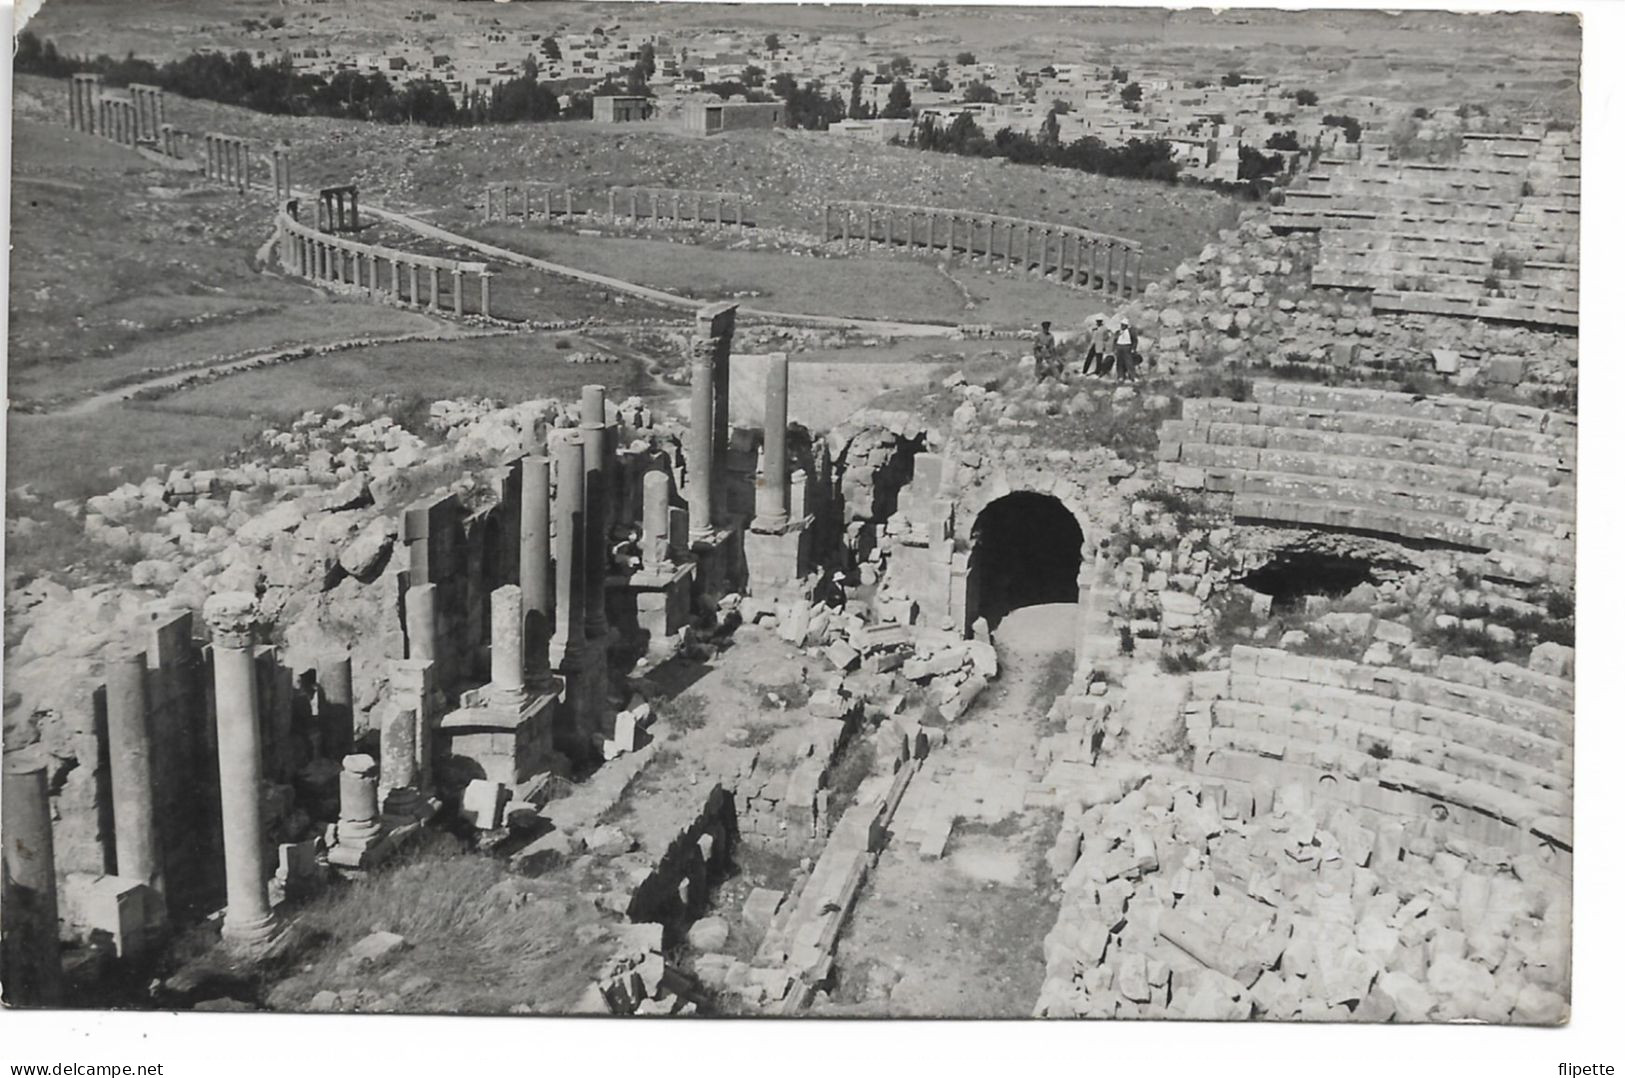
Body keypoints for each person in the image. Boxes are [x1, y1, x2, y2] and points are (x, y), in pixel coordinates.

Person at [1113, 316, 1140, 381]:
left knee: (1129, 362)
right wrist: (1114, 348)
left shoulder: (1130, 332)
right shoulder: (1118, 332)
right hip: (1119, 347)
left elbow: (1135, 340)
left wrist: (1133, 348)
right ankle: (1120, 376)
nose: (1122, 326)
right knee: (1119, 362)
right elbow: (1114, 340)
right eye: (1122, 325)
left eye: (1124, 325)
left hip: (1127, 347)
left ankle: (1132, 376)